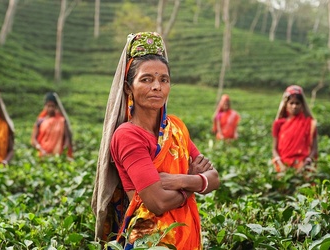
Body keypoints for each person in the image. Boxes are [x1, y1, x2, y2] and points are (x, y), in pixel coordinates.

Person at [91, 32, 220, 249]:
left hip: (185, 234)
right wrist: (193, 181)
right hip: (149, 241)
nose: (157, 87)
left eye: (164, 79)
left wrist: (177, 180)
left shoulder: (176, 127)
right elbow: (157, 202)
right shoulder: (128, 135)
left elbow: (214, 178)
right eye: (146, 79)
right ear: (128, 87)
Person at [272, 85, 318, 175]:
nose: (294, 106)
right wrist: (281, 165)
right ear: (286, 104)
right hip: (283, 167)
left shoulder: (310, 123)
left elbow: (314, 149)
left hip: (303, 166)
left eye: (297, 103)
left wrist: (305, 165)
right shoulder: (278, 124)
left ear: (302, 105)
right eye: (291, 103)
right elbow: (274, 149)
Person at [31, 92, 73, 159]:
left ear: (55, 107)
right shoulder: (40, 121)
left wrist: (65, 150)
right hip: (42, 155)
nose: (50, 108)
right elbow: (33, 139)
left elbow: (67, 137)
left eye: (52, 106)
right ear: (45, 106)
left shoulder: (61, 121)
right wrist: (40, 149)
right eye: (48, 106)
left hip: (58, 156)